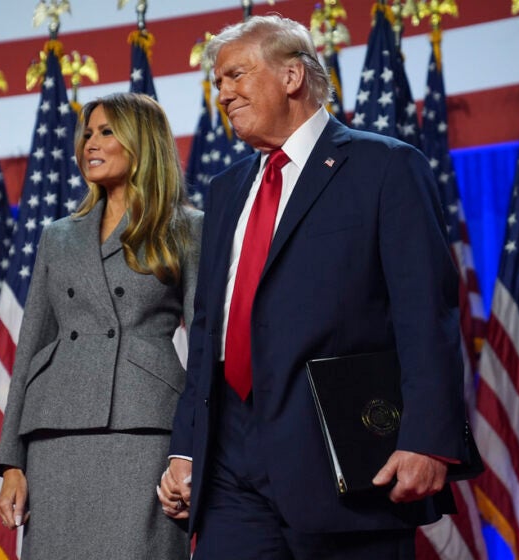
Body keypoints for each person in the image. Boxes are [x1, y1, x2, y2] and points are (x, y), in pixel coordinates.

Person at [157, 15, 468, 559]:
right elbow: (208, 331)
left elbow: (426, 314)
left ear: (292, 76)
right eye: (218, 82)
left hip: (343, 453)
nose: (222, 93)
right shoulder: (226, 189)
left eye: (234, 76)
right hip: (232, 460)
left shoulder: (385, 167)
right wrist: (185, 449)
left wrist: (427, 437)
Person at [0, 92, 202, 559]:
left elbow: (206, 348)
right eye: (88, 133)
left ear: (141, 141)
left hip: (143, 427)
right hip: (55, 435)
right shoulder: (58, 235)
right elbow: (32, 347)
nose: (91, 142)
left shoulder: (186, 228)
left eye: (107, 132)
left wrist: (194, 451)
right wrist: (12, 462)